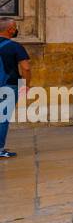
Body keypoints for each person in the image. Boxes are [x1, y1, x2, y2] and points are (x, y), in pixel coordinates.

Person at [0, 17, 31, 159]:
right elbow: (26, 68)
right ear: (10, 29)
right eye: (15, 27)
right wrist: (25, 85)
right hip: (9, 86)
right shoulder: (15, 46)